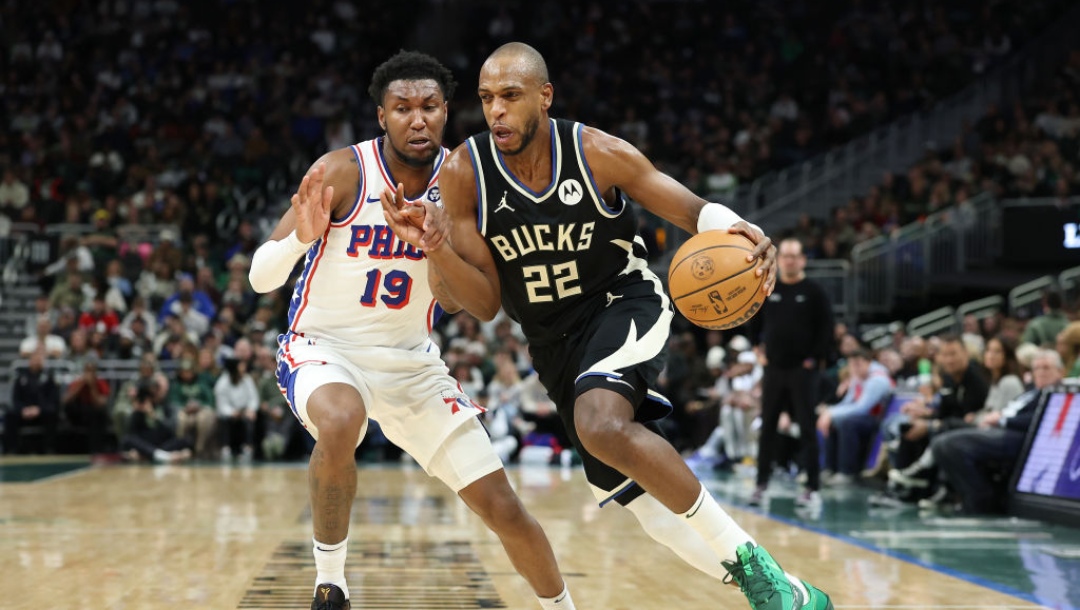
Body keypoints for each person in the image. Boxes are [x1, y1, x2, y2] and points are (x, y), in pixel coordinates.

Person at [384, 42, 831, 610]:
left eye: (511, 96)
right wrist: (437, 250)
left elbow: (690, 210)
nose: (496, 110)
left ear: (544, 97)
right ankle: (790, 592)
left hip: (622, 302)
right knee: (642, 504)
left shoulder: (596, 152)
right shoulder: (464, 173)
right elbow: (484, 302)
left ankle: (757, 569)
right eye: (487, 98)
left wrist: (744, 227)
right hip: (551, 342)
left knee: (600, 423)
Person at [247, 51, 575, 610]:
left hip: (411, 361)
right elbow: (259, 278)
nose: (416, 119)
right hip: (325, 351)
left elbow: (483, 304)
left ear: (447, 112)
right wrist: (300, 239)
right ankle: (331, 585)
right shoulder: (343, 171)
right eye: (402, 108)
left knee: (503, 506)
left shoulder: (464, 184)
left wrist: (438, 247)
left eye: (428, 106)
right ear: (382, 116)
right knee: (342, 417)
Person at [750, 238, 835, 507]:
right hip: (774, 369)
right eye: (784, 256)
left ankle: (812, 487)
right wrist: (757, 350)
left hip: (802, 370)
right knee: (768, 428)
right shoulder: (768, 288)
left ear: (802, 260)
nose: (788, 260)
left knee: (807, 428)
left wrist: (814, 359)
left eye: (793, 256)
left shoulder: (814, 291)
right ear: (779, 260)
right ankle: (761, 484)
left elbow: (827, 328)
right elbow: (751, 319)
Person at [932, 349, 1063, 514]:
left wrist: (1001, 419)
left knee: (950, 444)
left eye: (1046, 368)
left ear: (1060, 371)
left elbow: (1041, 419)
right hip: (998, 429)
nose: (1041, 372)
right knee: (942, 436)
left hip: (1017, 436)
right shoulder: (1030, 392)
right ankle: (957, 492)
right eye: (1037, 368)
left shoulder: (1059, 394)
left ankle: (980, 498)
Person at [816, 348, 894, 485]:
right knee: (832, 421)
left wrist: (831, 413)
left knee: (845, 422)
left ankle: (847, 472)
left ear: (868, 362)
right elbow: (848, 402)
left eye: (858, 364)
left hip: (877, 419)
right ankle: (828, 469)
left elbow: (862, 408)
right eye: (851, 364)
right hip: (861, 417)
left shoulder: (878, 379)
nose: (854, 368)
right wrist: (828, 412)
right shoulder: (857, 377)